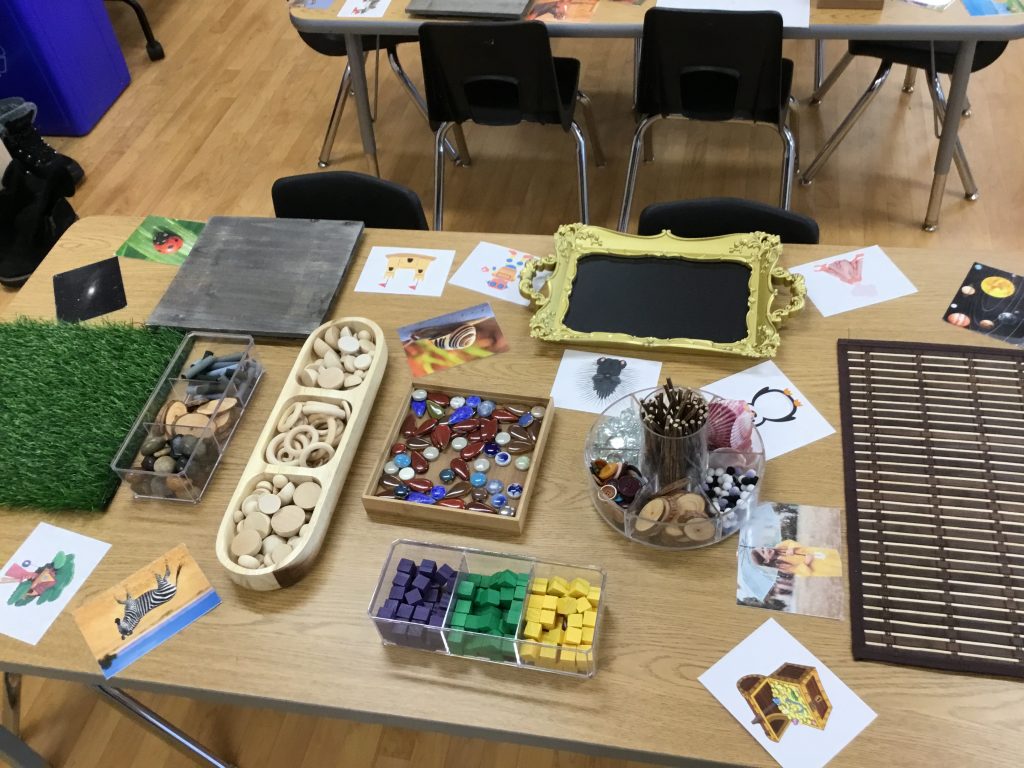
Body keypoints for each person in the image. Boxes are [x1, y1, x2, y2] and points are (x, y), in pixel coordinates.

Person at [751, 540, 841, 577]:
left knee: (835, 556)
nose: (765, 549)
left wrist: (792, 548)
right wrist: (806, 563)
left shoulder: (779, 547)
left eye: (763, 548)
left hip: (814, 553)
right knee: (837, 566)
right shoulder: (781, 566)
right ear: (766, 560)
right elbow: (799, 571)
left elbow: (790, 542)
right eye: (763, 552)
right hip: (816, 565)